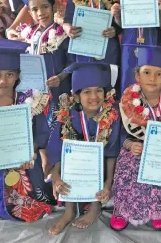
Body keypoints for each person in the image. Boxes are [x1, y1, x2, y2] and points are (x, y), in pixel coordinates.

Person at [0, 38, 54, 222]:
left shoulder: (30, 102)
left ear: (17, 75)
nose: (3, 81)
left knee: (37, 203)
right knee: (1, 207)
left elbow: (42, 132)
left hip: (28, 166)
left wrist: (41, 154)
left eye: (9, 74)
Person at [111, 46, 161, 231]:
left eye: (159, 74)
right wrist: (130, 144)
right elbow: (119, 134)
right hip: (135, 148)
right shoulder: (127, 100)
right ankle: (122, 210)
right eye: (147, 73)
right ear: (137, 77)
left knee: (160, 165)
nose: (152, 78)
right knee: (129, 164)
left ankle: (159, 210)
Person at [47, 62, 120, 234]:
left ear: (105, 93)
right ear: (77, 96)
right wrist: (56, 177)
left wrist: (108, 184)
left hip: (99, 170)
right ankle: (69, 211)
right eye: (87, 92)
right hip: (73, 169)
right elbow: (56, 150)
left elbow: (111, 153)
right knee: (68, 158)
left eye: (99, 90)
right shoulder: (67, 116)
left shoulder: (111, 116)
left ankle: (95, 208)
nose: (94, 96)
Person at [8, 0, 74, 116]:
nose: (40, 13)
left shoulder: (63, 34)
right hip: (33, 92)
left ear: (53, 7)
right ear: (30, 14)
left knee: (58, 126)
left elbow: (73, 61)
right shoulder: (26, 35)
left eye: (45, 7)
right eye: (35, 9)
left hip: (58, 89)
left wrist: (61, 77)